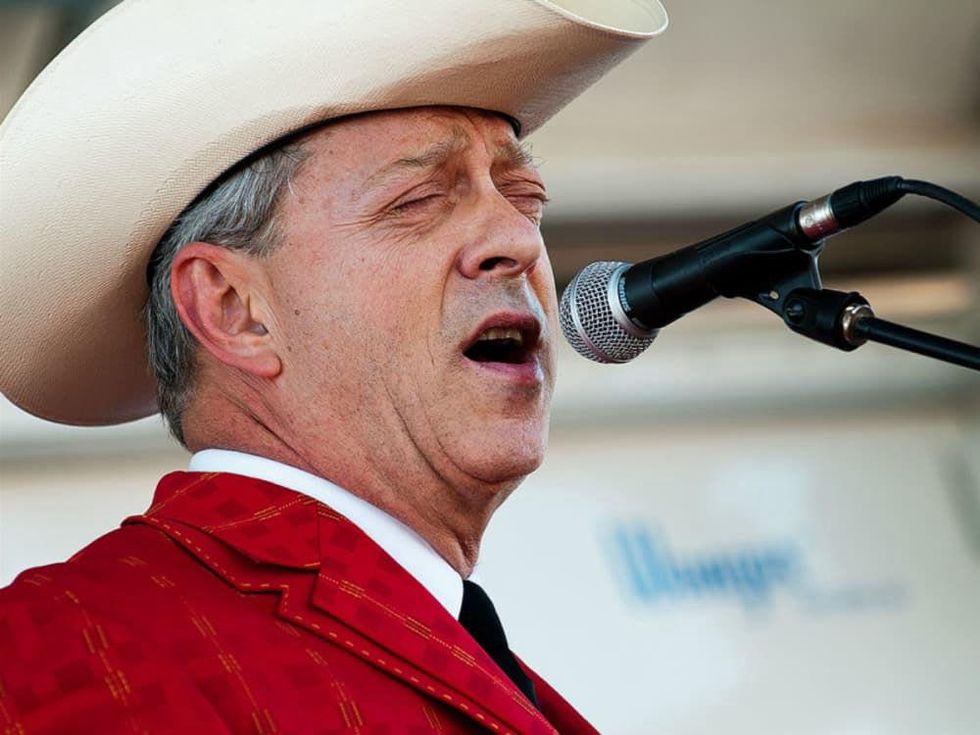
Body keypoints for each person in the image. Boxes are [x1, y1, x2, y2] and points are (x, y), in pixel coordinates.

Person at [0, 1, 667, 732]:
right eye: (418, 200)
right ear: (234, 310)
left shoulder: (471, 648)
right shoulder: (50, 655)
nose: (518, 240)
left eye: (524, 197)